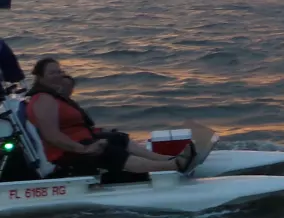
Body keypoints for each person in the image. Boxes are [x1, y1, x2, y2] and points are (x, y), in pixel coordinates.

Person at [25, 57, 198, 179]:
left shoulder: (53, 96)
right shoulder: (43, 100)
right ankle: (173, 166)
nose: (58, 75)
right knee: (111, 152)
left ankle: (162, 159)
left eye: (60, 71)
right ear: (40, 77)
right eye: (52, 73)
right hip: (67, 152)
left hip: (80, 140)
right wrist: (84, 149)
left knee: (118, 138)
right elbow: (52, 136)